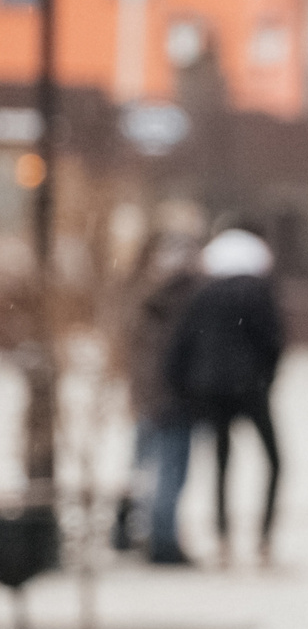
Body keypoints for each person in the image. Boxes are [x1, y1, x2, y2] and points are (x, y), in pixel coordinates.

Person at [165, 227, 285, 569]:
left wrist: (187, 388)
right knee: (275, 460)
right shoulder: (258, 292)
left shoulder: (202, 294)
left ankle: (223, 539)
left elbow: (182, 345)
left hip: (211, 390)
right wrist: (264, 378)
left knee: (221, 462)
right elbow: (273, 341)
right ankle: (263, 539)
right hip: (250, 388)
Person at [120, 235, 202, 565]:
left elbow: (136, 354)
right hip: (172, 400)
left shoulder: (145, 300)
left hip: (148, 397)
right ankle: (163, 542)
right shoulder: (185, 303)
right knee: (170, 472)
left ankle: (134, 532)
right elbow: (178, 358)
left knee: (143, 469)